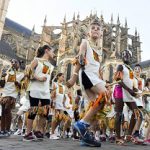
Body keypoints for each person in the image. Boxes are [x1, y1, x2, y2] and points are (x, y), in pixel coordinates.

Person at [67, 18, 107, 147]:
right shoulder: (85, 42)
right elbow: (80, 59)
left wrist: (102, 80)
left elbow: (98, 68)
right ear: (88, 32)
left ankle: (87, 137)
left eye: (98, 29)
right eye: (93, 28)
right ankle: (82, 123)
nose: (95, 30)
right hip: (86, 74)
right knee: (105, 95)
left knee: (94, 105)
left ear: (101, 33)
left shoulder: (100, 50)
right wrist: (73, 77)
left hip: (94, 77)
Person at [23, 45, 54, 141]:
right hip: (35, 88)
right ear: (47, 51)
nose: (54, 54)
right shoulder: (36, 60)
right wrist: (38, 78)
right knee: (33, 110)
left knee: (45, 111)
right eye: (53, 51)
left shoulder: (51, 65)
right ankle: (28, 133)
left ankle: (38, 131)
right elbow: (27, 72)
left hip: (45, 90)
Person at [113, 49, 143, 145]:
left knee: (136, 113)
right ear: (122, 57)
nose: (126, 56)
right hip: (120, 91)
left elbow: (131, 83)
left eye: (128, 55)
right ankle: (118, 137)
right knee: (119, 114)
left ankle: (129, 135)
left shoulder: (130, 69)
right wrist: (130, 90)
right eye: (124, 55)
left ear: (131, 57)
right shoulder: (120, 66)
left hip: (128, 93)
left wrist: (135, 91)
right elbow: (118, 79)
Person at [0, 59, 24, 137]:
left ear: (19, 64)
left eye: (15, 62)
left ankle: (7, 130)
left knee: (7, 110)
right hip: (4, 94)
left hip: (12, 95)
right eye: (12, 62)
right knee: (3, 112)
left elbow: (23, 87)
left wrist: (18, 83)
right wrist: (2, 78)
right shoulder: (7, 73)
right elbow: (2, 85)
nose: (13, 63)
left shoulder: (21, 74)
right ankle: (2, 130)